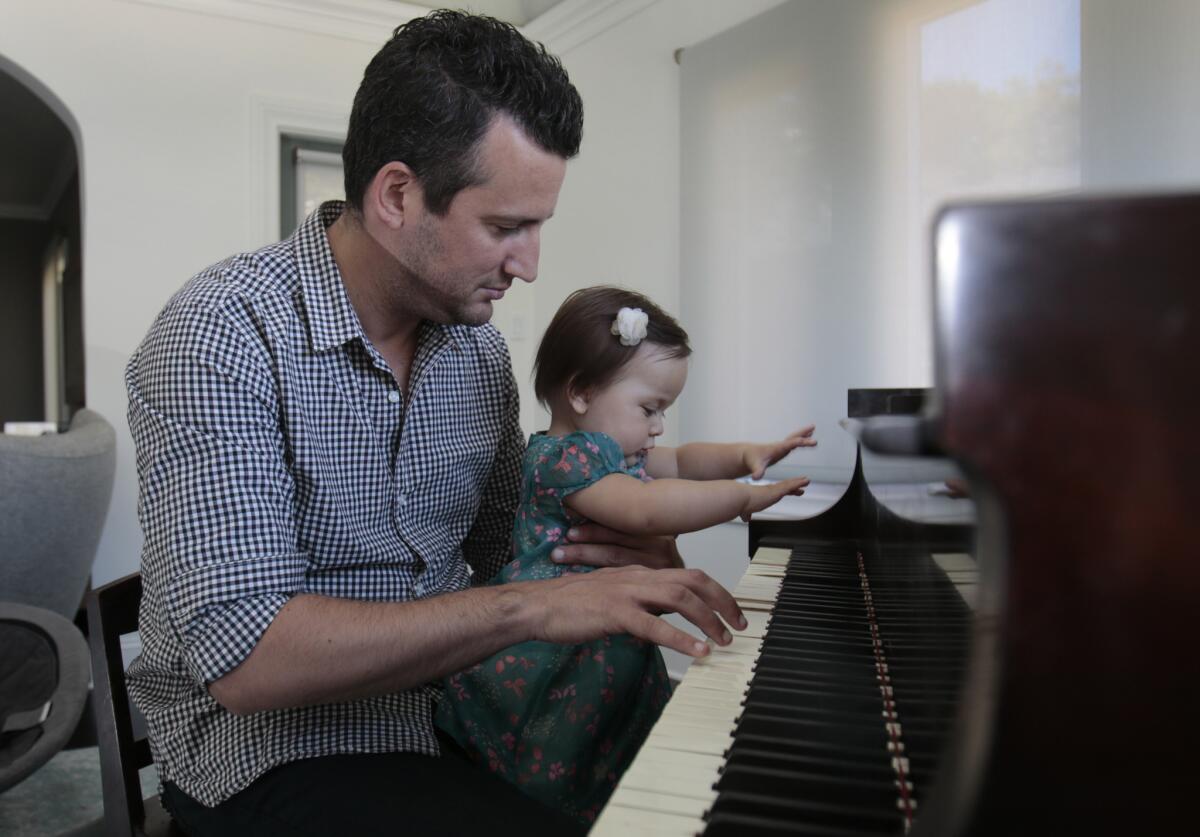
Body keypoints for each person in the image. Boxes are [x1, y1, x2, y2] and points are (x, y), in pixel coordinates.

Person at [124, 11, 749, 837]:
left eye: (538, 227)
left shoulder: (476, 356)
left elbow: (503, 556)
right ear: (396, 195)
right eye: (505, 227)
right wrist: (530, 609)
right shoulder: (220, 334)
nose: (530, 265)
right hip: (273, 751)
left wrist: (611, 558)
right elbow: (248, 658)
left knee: (703, 791)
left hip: (457, 714)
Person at [435, 286, 815, 824]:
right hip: (557, 657)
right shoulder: (563, 459)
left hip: (604, 648)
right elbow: (646, 512)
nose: (659, 427)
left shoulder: (614, 451)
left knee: (615, 748)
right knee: (559, 764)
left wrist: (745, 456)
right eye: (650, 408)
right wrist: (748, 498)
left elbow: (683, 461)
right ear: (582, 392)